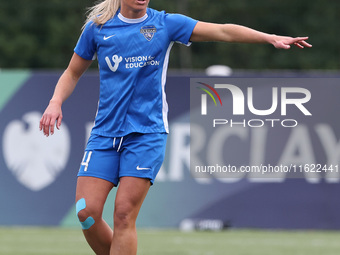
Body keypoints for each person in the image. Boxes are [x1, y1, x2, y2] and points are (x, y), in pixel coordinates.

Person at [39, 0, 312, 254]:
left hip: (146, 134)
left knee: (123, 215)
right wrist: (55, 101)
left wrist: (269, 38)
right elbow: (73, 72)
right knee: (86, 213)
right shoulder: (97, 28)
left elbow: (223, 31)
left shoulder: (165, 24)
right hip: (104, 135)